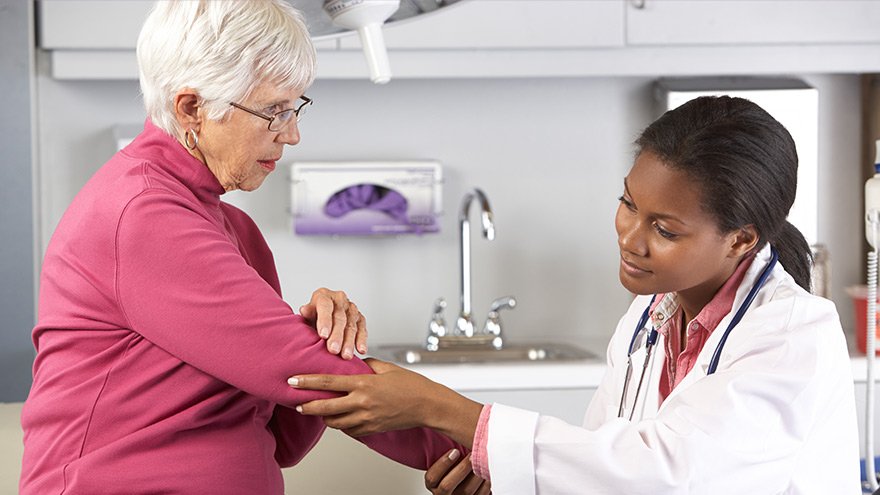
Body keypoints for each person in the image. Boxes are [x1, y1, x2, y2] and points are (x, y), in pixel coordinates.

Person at [291, 96, 861, 494]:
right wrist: (500, 481)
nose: (630, 238)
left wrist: (438, 407)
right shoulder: (647, 320)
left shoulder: (793, 335)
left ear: (740, 240)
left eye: (665, 230)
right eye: (628, 204)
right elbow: (601, 470)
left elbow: (667, 477)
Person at [19, 1, 464, 493]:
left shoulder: (233, 228)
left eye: (294, 107)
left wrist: (321, 337)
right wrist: (473, 449)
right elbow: (309, 373)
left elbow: (286, 435)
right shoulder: (143, 213)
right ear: (192, 109)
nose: (292, 133)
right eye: (273, 110)